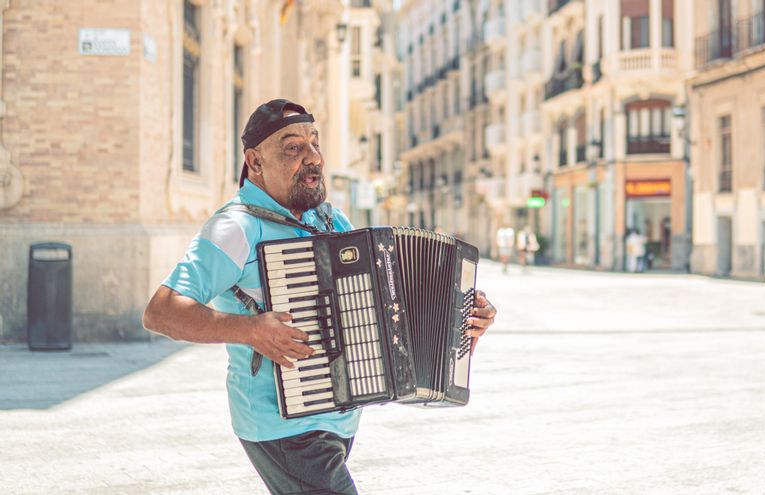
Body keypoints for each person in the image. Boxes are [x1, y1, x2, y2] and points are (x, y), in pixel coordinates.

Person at [142, 99, 498, 495]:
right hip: (280, 423)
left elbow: (384, 310)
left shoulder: (330, 219)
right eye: (293, 148)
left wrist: (458, 323)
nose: (312, 157)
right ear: (255, 162)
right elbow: (161, 312)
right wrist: (250, 329)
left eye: (315, 143)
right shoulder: (235, 228)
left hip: (337, 418)